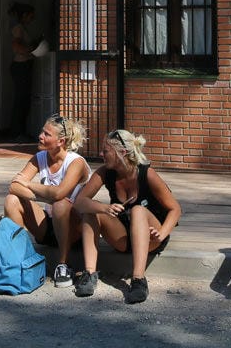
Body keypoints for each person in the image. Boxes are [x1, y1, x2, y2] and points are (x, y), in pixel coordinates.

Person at [72, 129, 181, 304]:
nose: (101, 154)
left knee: (138, 210)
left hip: (152, 237)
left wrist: (162, 232)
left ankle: (138, 279)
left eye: (105, 151)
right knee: (91, 210)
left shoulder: (147, 174)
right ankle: (90, 273)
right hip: (123, 237)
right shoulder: (104, 173)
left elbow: (175, 209)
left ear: (121, 153)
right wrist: (104, 208)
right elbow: (79, 202)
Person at [3, 115, 89, 289]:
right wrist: (40, 196)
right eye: (42, 131)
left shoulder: (76, 163)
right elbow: (14, 186)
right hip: (49, 225)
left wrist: (28, 184)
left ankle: (63, 265)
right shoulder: (40, 157)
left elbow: (60, 193)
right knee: (12, 200)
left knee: (61, 204)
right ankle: (20, 259)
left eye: (46, 134)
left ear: (60, 141)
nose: (40, 136)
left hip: (74, 229)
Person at [7, 2, 38, 139]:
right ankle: (17, 132)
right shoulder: (18, 28)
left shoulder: (22, 28)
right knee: (21, 99)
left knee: (24, 99)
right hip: (21, 66)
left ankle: (21, 131)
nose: (32, 19)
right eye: (30, 16)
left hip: (23, 65)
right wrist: (31, 50)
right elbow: (16, 46)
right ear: (24, 15)